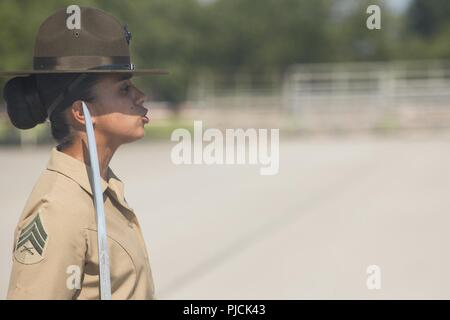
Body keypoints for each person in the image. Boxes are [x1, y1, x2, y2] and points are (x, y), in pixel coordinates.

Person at [0, 6, 167, 299]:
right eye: (124, 88)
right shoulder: (59, 209)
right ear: (81, 112)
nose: (141, 95)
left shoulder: (101, 187)